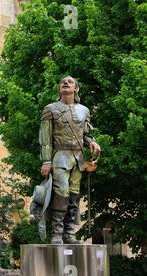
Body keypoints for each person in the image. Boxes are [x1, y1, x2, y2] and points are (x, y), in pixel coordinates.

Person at [39, 76, 101, 244]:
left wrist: (92, 143)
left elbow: (86, 134)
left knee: (74, 196)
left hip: (78, 158)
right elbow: (45, 138)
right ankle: (57, 233)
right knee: (61, 193)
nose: (66, 83)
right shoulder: (50, 109)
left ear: (76, 89)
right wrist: (46, 161)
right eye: (62, 82)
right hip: (59, 156)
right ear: (59, 88)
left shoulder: (84, 110)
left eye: (70, 82)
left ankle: (69, 232)